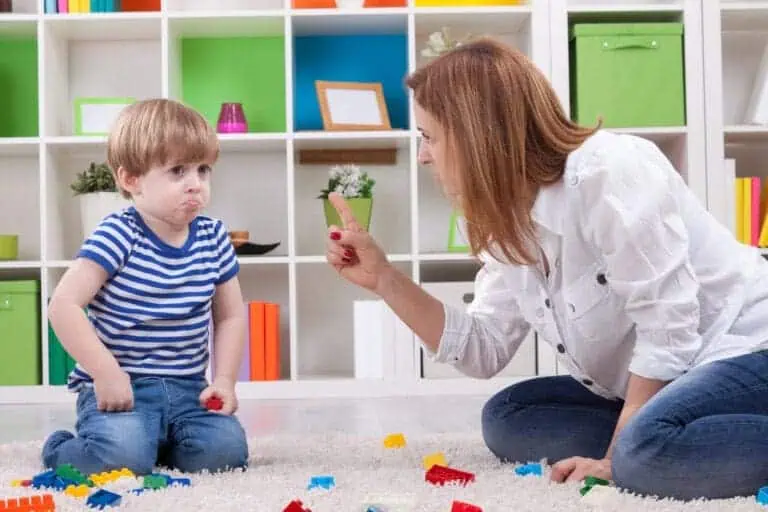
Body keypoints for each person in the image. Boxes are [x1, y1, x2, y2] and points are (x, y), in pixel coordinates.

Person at [325, 37, 768, 501]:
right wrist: (385, 280)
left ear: (477, 134)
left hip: (743, 349)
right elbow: (484, 349)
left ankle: (650, 444)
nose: (423, 155)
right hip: (671, 378)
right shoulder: (505, 218)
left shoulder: (608, 170)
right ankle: (669, 436)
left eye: (429, 136)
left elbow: (668, 327)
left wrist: (614, 458)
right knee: (510, 415)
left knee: (639, 457)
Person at [42, 98, 249, 477]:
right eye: (177, 171)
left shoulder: (214, 237)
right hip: (123, 390)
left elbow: (232, 316)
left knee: (226, 452)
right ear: (130, 180)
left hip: (188, 390)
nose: (195, 184)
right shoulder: (117, 234)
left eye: (203, 170)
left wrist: (224, 381)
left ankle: (156, 442)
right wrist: (105, 373)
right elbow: (63, 305)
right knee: (120, 458)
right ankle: (61, 447)